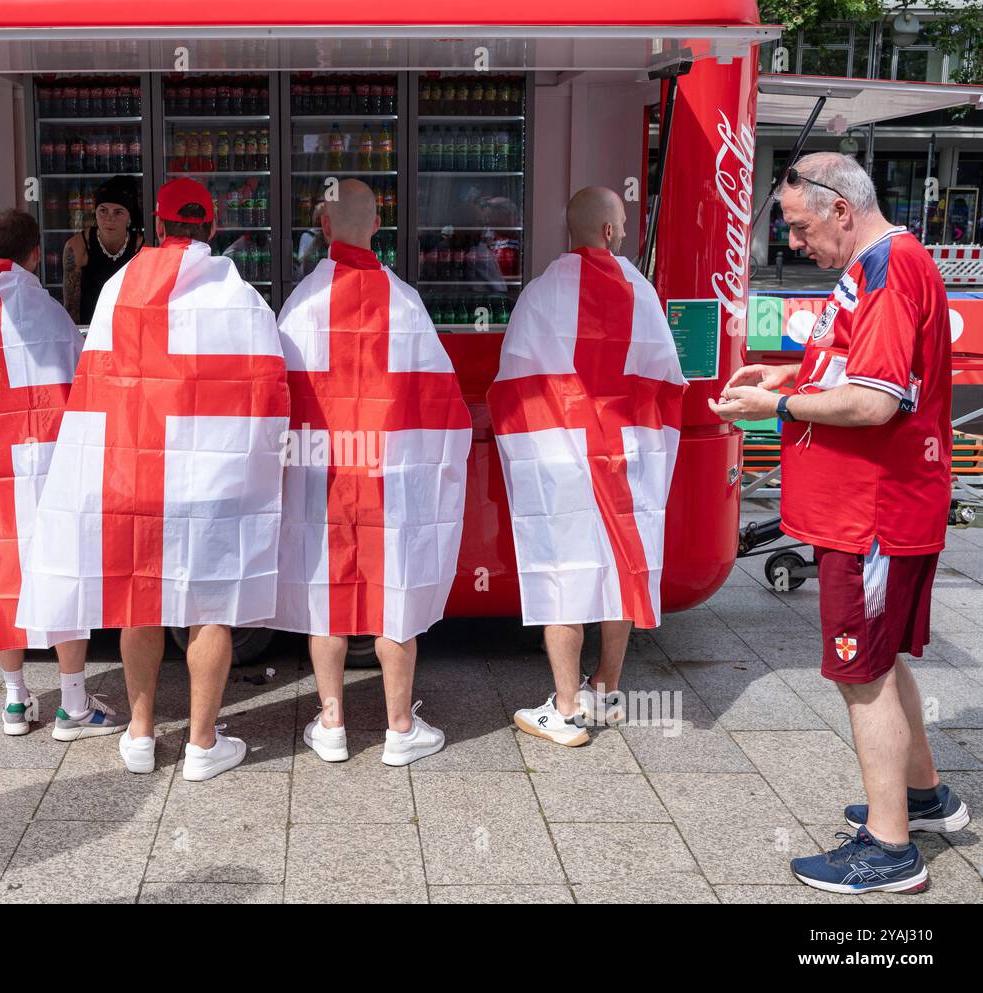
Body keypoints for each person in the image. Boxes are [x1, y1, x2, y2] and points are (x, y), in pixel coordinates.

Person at [710, 151, 969, 894]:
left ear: (841, 211)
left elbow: (875, 401)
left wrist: (777, 407)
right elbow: (857, 361)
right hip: (872, 508)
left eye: (797, 227)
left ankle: (890, 851)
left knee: (861, 674)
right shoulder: (882, 262)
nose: (793, 243)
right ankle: (922, 797)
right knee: (880, 664)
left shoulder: (888, 269)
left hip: (872, 513)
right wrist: (789, 373)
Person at [17, 178, 289, 782]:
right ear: (212, 228)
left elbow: (97, 387)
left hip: (134, 467)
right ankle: (201, 743)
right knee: (211, 606)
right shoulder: (237, 294)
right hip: (214, 477)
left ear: (158, 226)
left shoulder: (118, 288)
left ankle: (140, 735)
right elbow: (271, 386)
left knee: (140, 600)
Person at [271, 178, 472, 765]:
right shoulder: (405, 302)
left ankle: (332, 724)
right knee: (396, 590)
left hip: (321, 474)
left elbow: (278, 395)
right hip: (391, 476)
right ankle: (400, 728)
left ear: (325, 228)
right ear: (377, 227)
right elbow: (443, 404)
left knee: (324, 594)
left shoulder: (300, 303)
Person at [487, 187, 686, 746]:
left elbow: (513, 385)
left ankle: (568, 708)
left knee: (562, 568)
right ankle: (606, 690)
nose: (624, 233)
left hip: (561, 456)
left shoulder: (540, 293)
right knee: (622, 562)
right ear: (605, 231)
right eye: (621, 223)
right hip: (627, 455)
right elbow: (668, 382)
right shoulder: (641, 292)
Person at [0, 208, 120, 741]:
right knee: (62, 567)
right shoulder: (44, 310)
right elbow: (79, 383)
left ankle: (16, 701)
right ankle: (74, 706)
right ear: (35, 254)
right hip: (42, 461)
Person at [62, 175, 142, 326]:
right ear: (95, 213)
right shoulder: (77, 247)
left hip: (129, 332)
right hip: (89, 334)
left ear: (129, 216)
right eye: (103, 211)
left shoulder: (142, 248)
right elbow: (71, 309)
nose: (109, 219)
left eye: (118, 212)